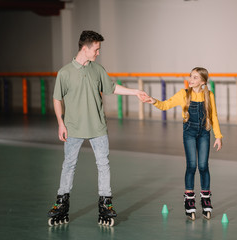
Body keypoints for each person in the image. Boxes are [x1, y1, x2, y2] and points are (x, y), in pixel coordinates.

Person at [47, 30, 149, 227]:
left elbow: (112, 88)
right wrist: (61, 123)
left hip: (98, 127)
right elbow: (57, 98)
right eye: (96, 49)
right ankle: (61, 203)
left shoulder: (97, 69)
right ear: (85, 49)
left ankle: (105, 203)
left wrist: (135, 91)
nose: (98, 52)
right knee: (69, 165)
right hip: (73, 128)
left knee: (103, 165)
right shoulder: (65, 72)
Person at [145, 67, 223, 220]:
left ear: (203, 81)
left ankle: (206, 198)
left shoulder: (209, 95)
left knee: (203, 166)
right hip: (189, 133)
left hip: (204, 133)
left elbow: (214, 116)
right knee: (192, 165)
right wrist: (153, 101)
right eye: (190, 76)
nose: (191, 80)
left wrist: (218, 136)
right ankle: (189, 200)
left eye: (195, 77)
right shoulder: (183, 94)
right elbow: (166, 105)